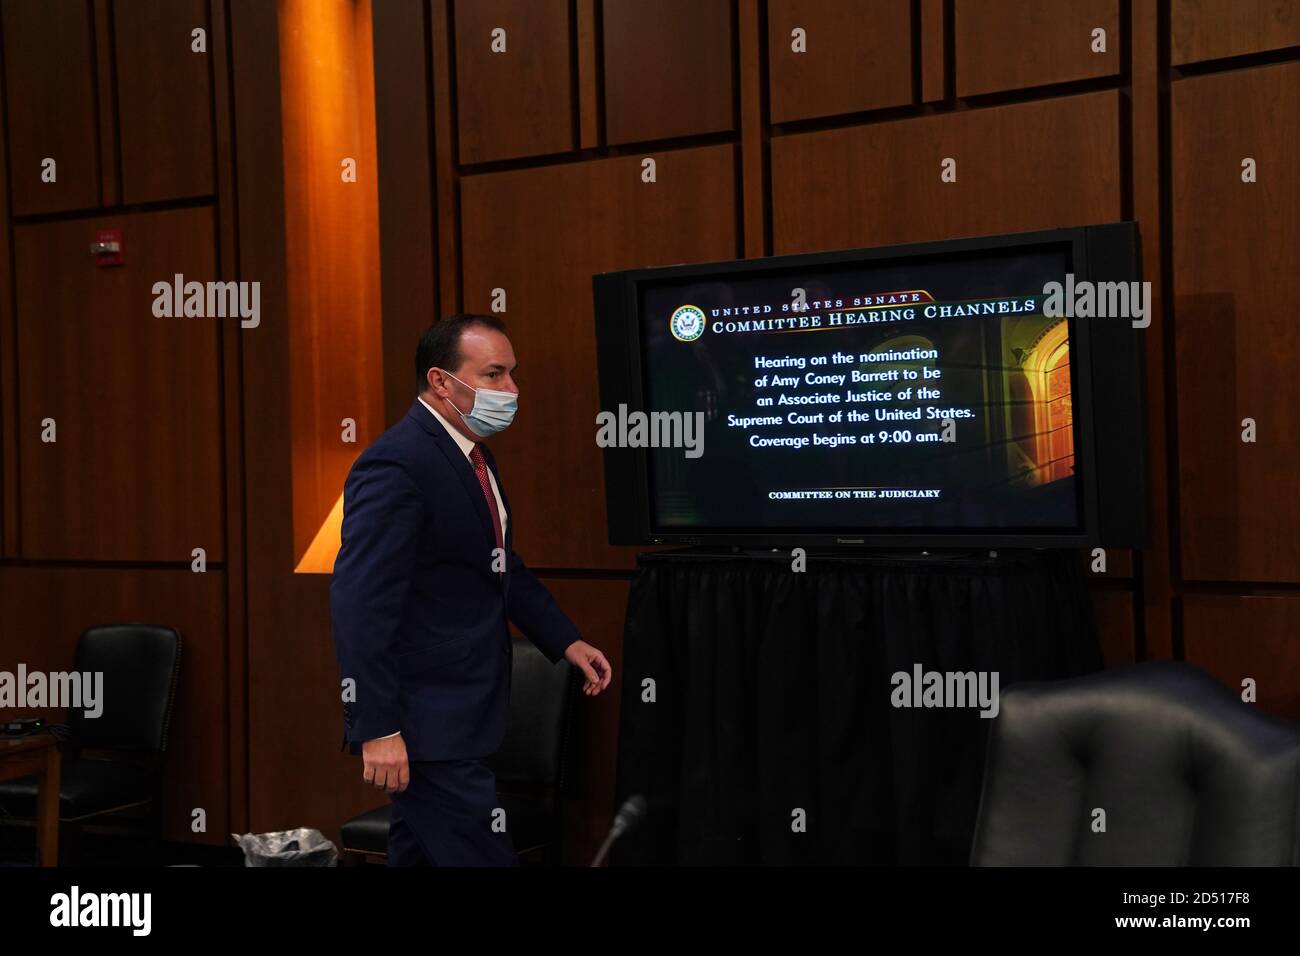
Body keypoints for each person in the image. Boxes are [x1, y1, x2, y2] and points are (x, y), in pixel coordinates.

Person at [330, 313, 612, 865]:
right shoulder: (397, 462)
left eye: (511, 375)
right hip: (426, 724)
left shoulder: (473, 456)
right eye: (494, 375)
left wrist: (565, 641)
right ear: (441, 381)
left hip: (462, 716)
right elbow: (360, 603)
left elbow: (499, 564)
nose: (511, 390)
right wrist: (377, 726)